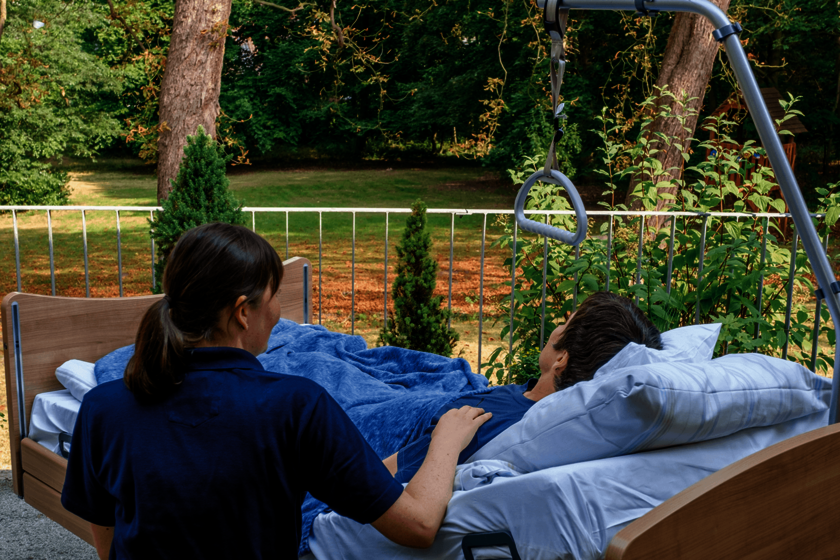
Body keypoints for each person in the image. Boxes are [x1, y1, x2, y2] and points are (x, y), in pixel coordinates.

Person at [61, 222, 492, 559]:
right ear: (243, 312)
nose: (279, 309)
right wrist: (445, 441)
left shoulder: (102, 408)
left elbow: (109, 542)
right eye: (275, 294)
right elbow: (417, 527)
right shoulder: (295, 405)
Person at [384, 291, 663, 482]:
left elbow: (384, 476)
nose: (557, 324)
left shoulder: (484, 423)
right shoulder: (536, 409)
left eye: (565, 324)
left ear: (562, 359)